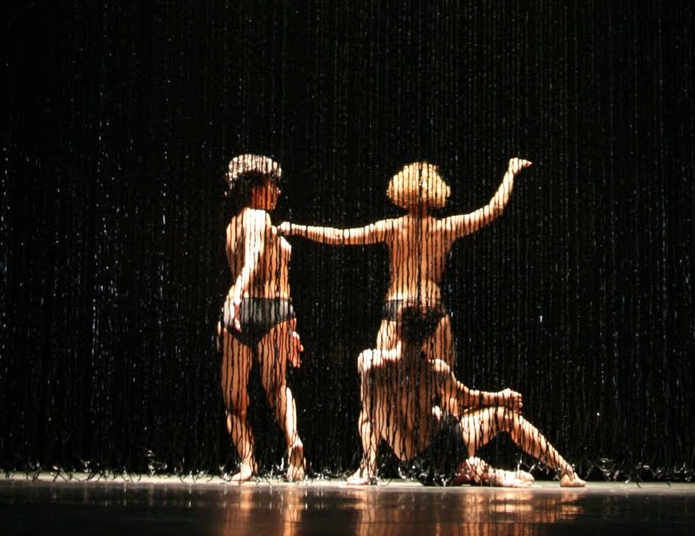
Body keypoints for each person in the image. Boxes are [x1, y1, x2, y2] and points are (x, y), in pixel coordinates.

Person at [281, 157, 531, 365]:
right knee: (444, 389)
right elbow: (493, 209)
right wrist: (510, 172)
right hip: (432, 308)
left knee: (385, 383)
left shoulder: (392, 228)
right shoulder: (446, 228)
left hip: (397, 308)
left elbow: (341, 236)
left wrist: (297, 228)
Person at [346, 299, 584, 487]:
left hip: (423, 454)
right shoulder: (432, 370)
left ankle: (485, 471)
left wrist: (369, 464)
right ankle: (566, 471)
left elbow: (369, 417)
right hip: (444, 447)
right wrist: (500, 397)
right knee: (504, 417)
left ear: (396, 330)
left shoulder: (371, 363)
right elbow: (465, 397)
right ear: (429, 337)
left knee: (488, 425)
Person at [217, 153, 305, 482]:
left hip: (245, 313)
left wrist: (238, 296)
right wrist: (240, 292)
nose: (277, 191)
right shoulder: (258, 218)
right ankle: (293, 442)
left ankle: (247, 462)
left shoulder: (232, 226)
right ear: (254, 188)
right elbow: (253, 259)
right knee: (277, 387)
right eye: (272, 185)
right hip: (273, 308)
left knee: (235, 402)